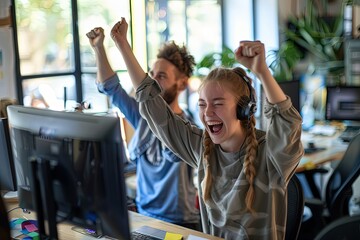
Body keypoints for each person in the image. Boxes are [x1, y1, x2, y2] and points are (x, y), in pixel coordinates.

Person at [109, 17, 304, 240]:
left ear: (243, 109)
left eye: (218, 103)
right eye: (202, 104)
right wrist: (122, 45)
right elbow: (154, 108)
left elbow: (287, 122)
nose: (208, 112)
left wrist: (262, 72)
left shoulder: (271, 154)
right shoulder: (203, 149)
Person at [86, 27, 201, 230]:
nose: (153, 80)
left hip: (180, 222)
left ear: (181, 83)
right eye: (152, 74)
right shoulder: (142, 116)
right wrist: (99, 49)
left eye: (162, 76)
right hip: (145, 216)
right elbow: (110, 87)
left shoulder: (188, 127)